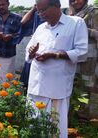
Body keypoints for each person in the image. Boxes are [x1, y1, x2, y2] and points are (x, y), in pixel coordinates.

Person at [25, 0, 88, 137]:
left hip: (57, 89)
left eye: (43, 10)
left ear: (57, 6)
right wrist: (31, 51)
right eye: (38, 11)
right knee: (33, 126)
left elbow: (82, 52)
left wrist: (55, 55)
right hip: (36, 86)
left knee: (54, 128)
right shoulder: (41, 28)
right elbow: (28, 51)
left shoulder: (75, 23)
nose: (40, 14)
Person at [69, 0, 98, 118]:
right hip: (73, 56)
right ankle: (71, 115)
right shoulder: (70, 14)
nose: (75, 2)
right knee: (73, 84)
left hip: (88, 58)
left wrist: (84, 30)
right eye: (72, 0)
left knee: (86, 86)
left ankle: (83, 117)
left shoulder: (93, 12)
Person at [19, 5, 45, 88]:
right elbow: (22, 22)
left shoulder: (54, 14)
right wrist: (33, 9)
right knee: (27, 79)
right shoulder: (37, 14)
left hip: (46, 48)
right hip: (34, 47)